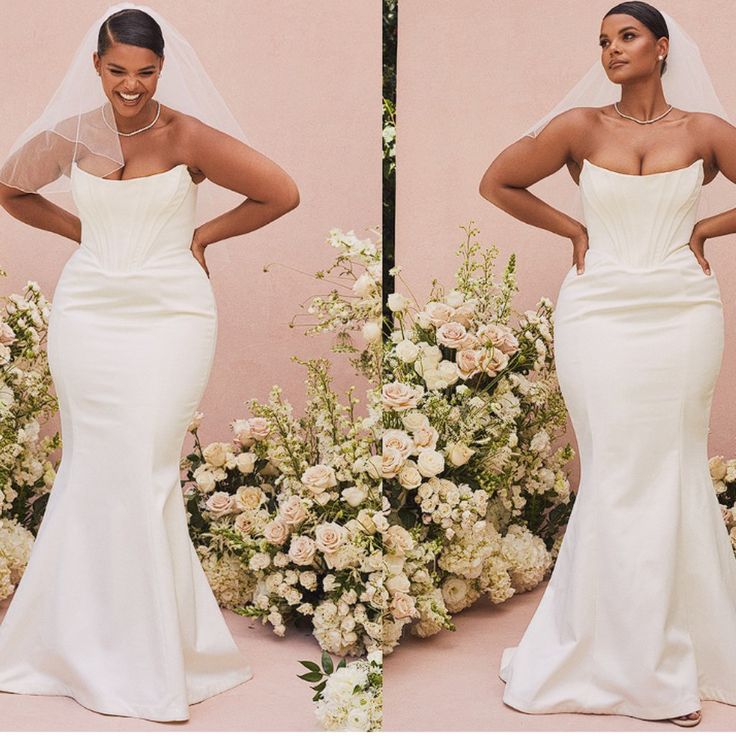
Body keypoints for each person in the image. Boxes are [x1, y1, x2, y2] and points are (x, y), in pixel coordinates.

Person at [0, 4, 298, 722]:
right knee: (93, 466)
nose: (130, 86)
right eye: (117, 71)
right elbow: (9, 187)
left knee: (145, 468)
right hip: (89, 313)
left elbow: (280, 193)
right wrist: (82, 228)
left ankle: (149, 653)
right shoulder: (73, 135)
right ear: (96, 67)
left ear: (161, 69)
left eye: (145, 72)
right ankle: (74, 646)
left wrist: (203, 237)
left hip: (171, 312)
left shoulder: (187, 134)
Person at [479, 2, 736, 728]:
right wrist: (573, 229)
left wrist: (705, 231)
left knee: (673, 465)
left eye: (626, 37)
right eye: (602, 41)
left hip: (684, 310)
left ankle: (680, 649)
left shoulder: (708, 131)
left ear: (662, 47)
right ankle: (624, 662)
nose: (611, 50)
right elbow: (496, 181)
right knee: (618, 471)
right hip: (599, 312)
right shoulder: (579, 127)